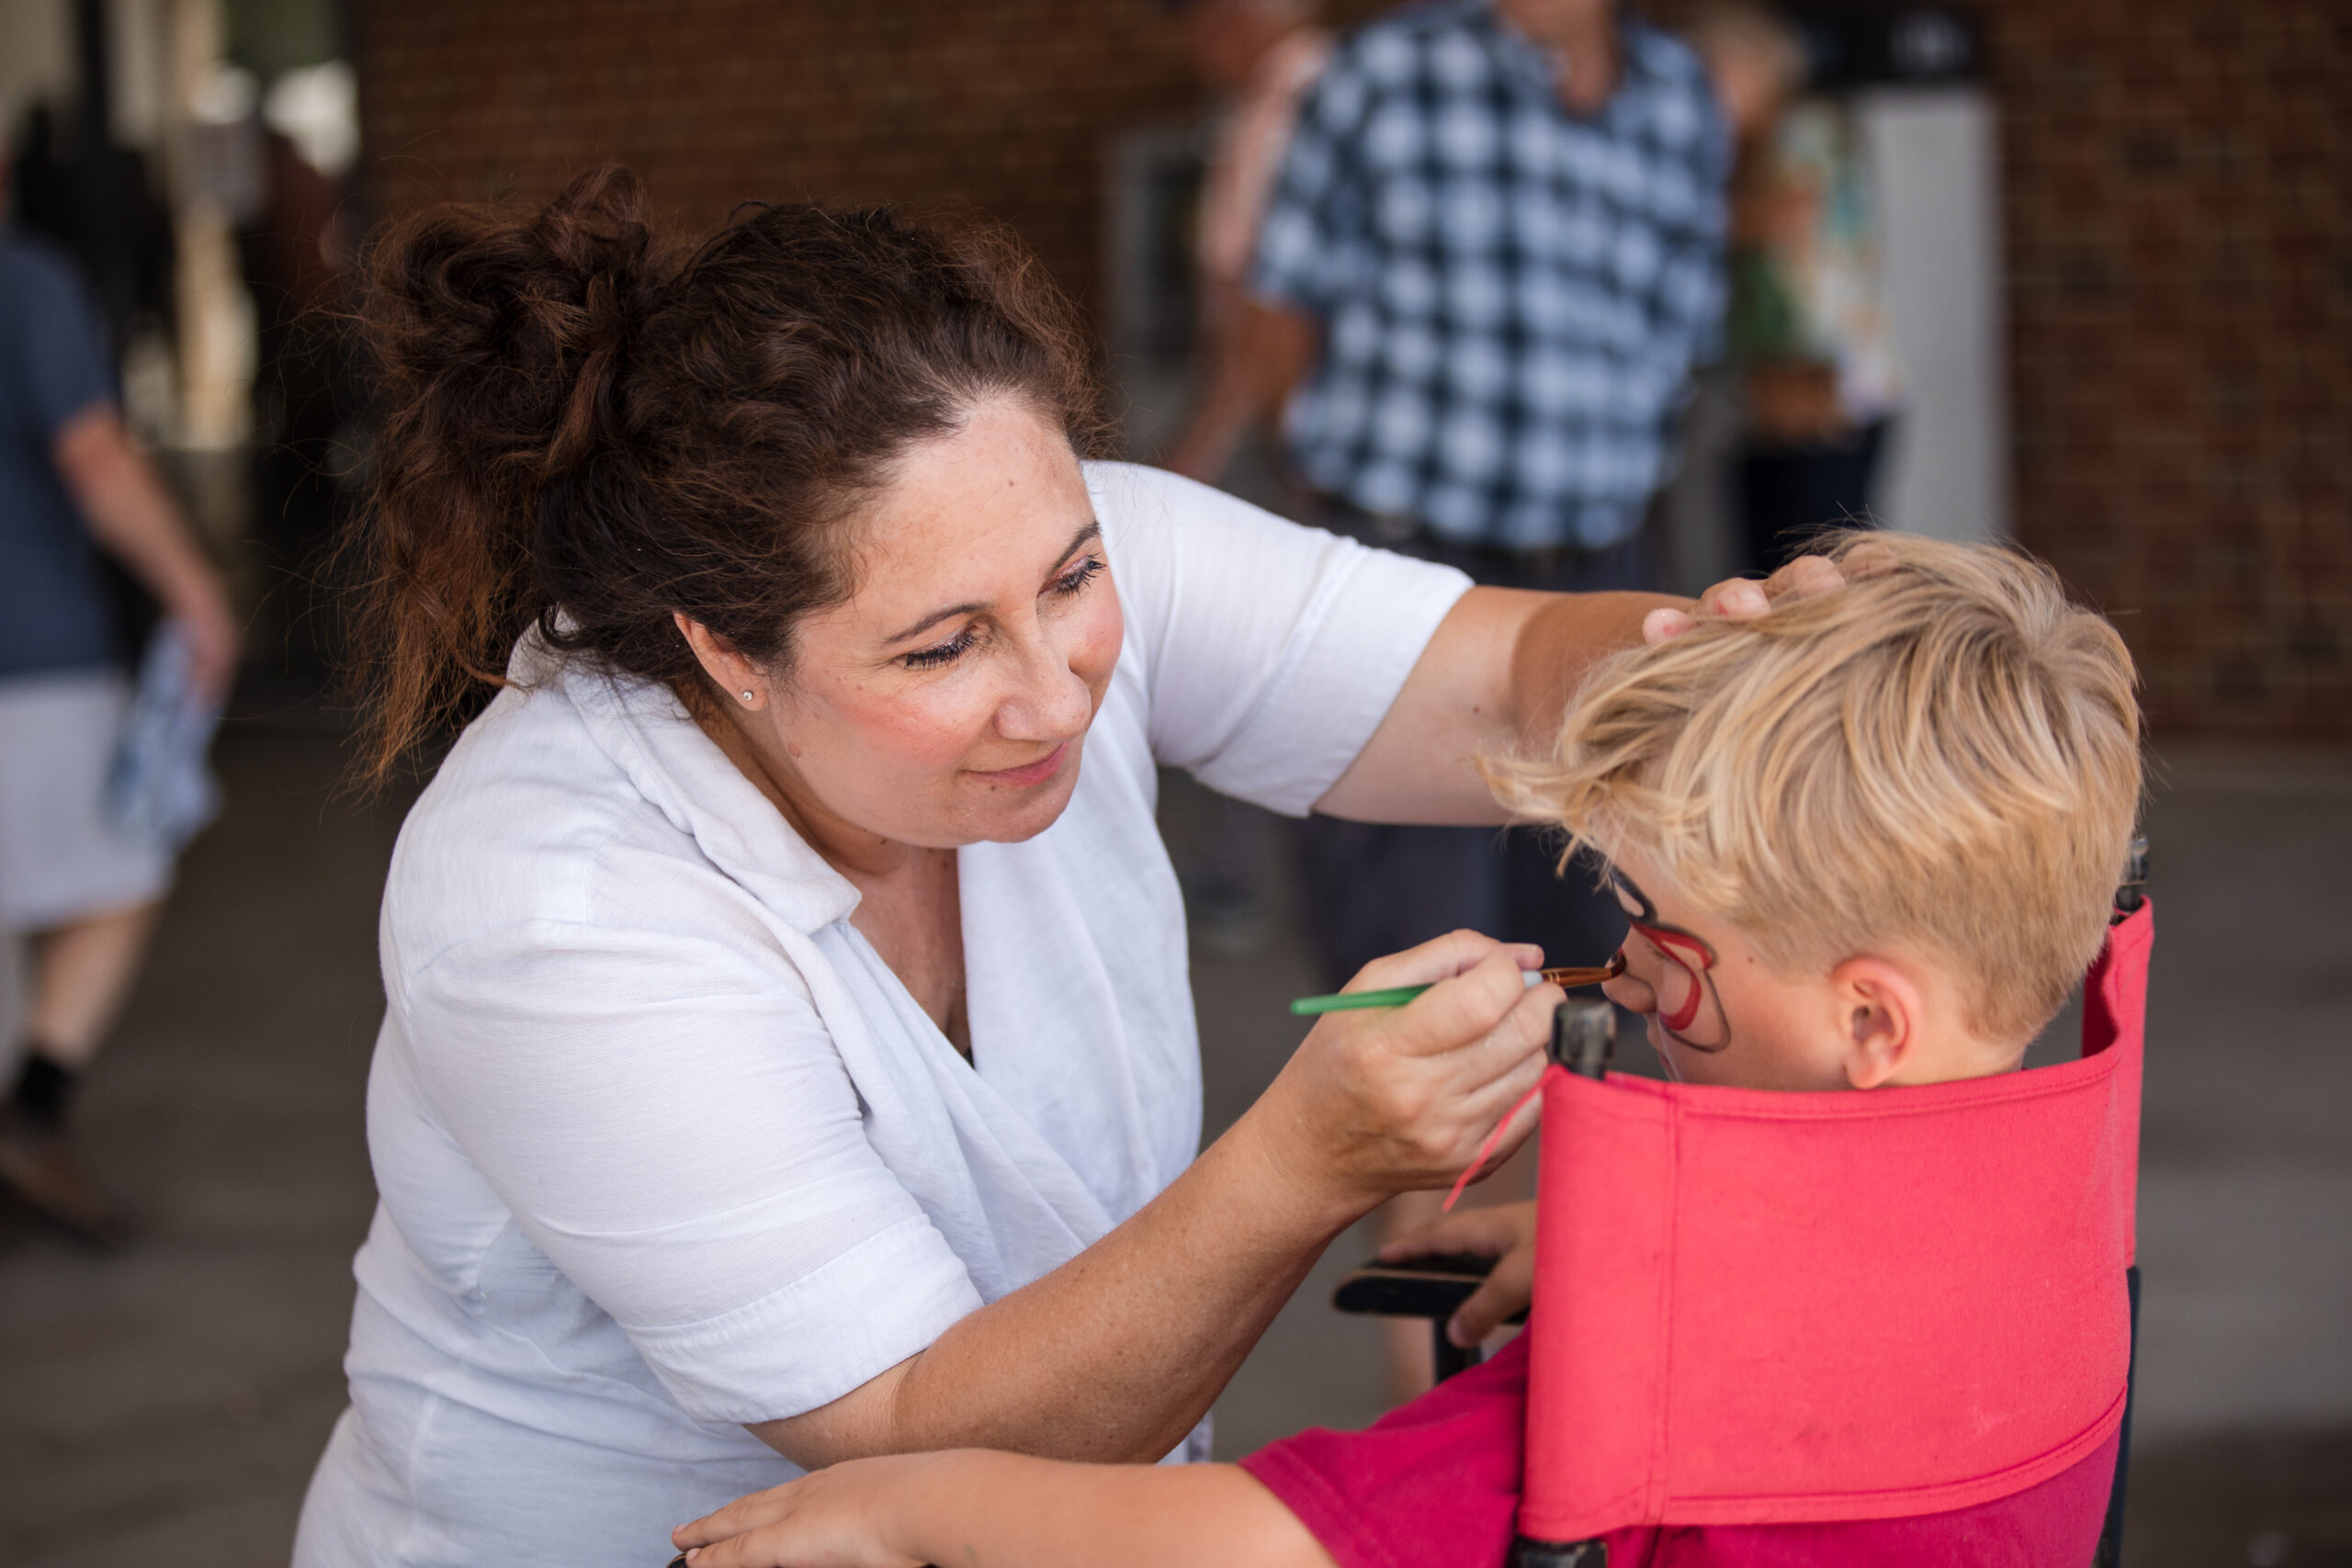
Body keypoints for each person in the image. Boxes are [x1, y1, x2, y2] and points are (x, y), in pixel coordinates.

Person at [288, 165, 1831, 1565]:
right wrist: (1310, 1160)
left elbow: (1499, 679)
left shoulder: (1060, 562)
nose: (1059, 690)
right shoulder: (558, 905)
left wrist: (1723, 661)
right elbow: (916, 1442)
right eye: (944, 645)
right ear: (726, 651)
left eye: (1075, 577)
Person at [667, 529, 2145, 1568]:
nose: (1626, 968)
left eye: (1674, 947)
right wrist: (1627, 1246)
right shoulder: (2060, 1172)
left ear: (1870, 1018)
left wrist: (916, 1503)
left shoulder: (1687, 1368)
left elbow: (1254, 1545)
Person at [0, 193, 240, 1244]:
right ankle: (35, 1109)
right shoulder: (26, 282)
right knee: (121, 870)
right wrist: (196, 591)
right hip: (31, 655)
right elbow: (95, 458)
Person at [1158, 0, 1331, 953]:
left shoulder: (1298, 108)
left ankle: (1238, 884)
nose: (1194, 44)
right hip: (1284, 428)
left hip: (1280, 433)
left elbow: (1264, 315)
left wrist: (1206, 440)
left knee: (1251, 653)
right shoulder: (1285, 100)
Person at [1680, 0, 1902, 572]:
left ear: (1760, 67)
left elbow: (1784, 217)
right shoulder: (1741, 151)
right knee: (1766, 574)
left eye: (1712, 75)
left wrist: (1666, 213)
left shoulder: (1805, 130)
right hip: (1763, 398)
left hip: (1827, 395)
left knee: (1819, 573)